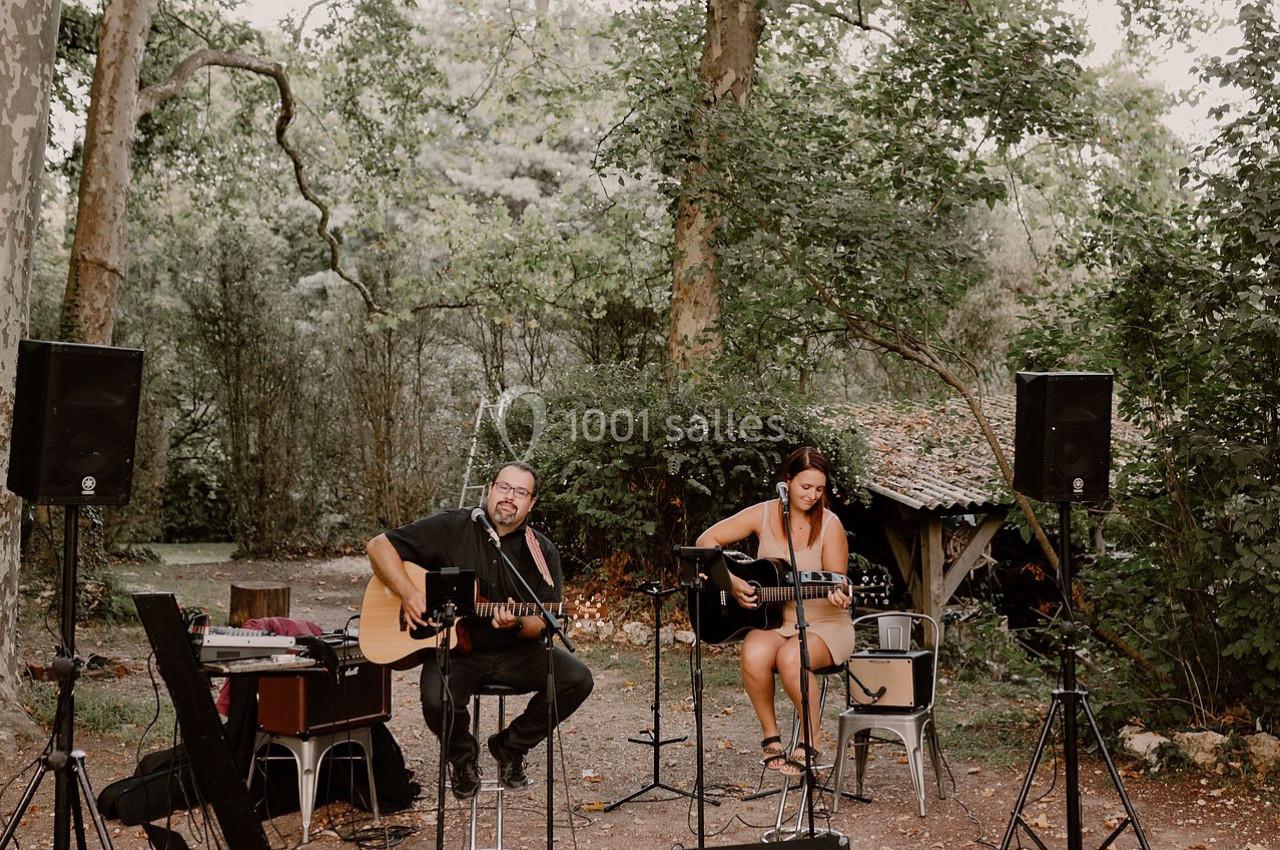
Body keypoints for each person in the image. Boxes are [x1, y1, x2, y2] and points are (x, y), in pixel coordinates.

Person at [365, 461, 594, 798]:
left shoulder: (541, 552)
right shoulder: (452, 527)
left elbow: (541, 622)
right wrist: (409, 593)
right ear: (490, 489)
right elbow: (378, 546)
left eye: (520, 492)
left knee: (577, 679)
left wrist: (517, 623)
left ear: (531, 503)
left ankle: (510, 746)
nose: (509, 497)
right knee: (436, 700)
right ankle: (462, 758)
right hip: (456, 651)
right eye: (504, 487)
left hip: (516, 652)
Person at [695, 446, 854, 776]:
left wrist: (841, 596)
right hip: (778, 621)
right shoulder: (764, 514)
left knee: (793, 656)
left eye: (819, 489)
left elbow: (836, 583)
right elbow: (705, 541)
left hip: (825, 623)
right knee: (753, 651)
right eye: (805, 486)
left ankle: (811, 739)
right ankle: (771, 737)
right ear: (788, 481)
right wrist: (731, 582)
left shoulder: (830, 525)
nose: (812, 495)